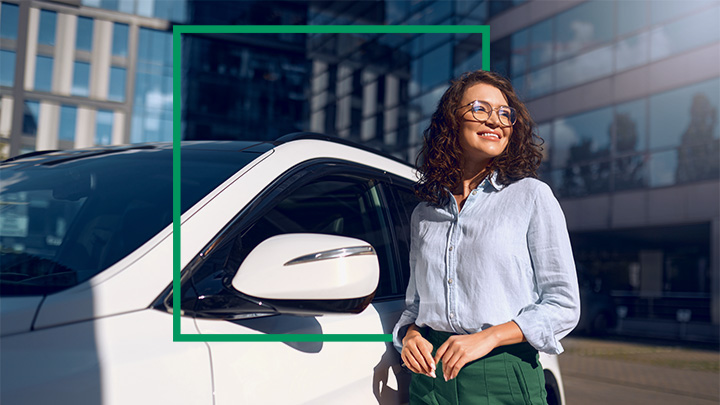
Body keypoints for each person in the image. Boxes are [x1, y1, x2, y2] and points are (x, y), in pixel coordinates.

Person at [393, 70, 580, 404]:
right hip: (430, 380)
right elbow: (416, 305)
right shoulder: (424, 213)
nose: (495, 120)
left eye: (504, 114)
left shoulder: (531, 196)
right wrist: (409, 336)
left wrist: (489, 338)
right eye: (480, 109)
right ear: (452, 121)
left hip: (501, 372)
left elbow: (563, 305)